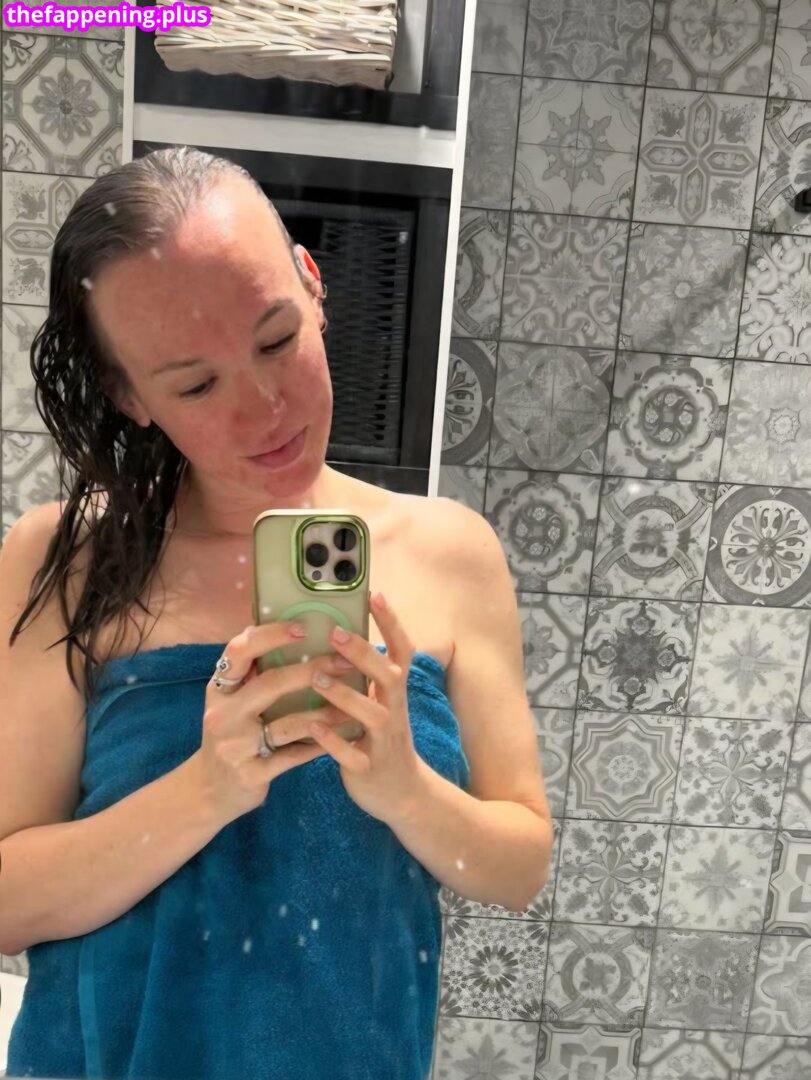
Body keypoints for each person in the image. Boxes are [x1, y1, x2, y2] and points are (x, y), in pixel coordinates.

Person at [0, 146, 552, 1080]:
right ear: (132, 397)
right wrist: (206, 789)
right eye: (195, 384)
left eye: (274, 339)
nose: (264, 407)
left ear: (311, 283)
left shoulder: (453, 555)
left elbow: (518, 867)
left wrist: (404, 790)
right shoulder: (66, 561)